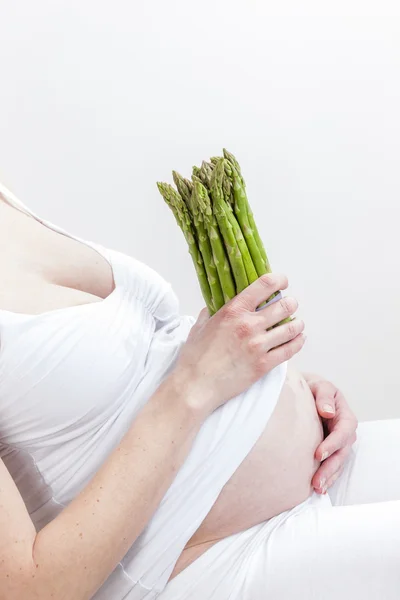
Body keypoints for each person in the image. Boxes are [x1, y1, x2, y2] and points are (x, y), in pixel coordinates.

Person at [0, 180, 395, 600]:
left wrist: (282, 385)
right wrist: (196, 383)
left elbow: (120, 372)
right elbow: (30, 588)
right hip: (218, 554)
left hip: (323, 466)